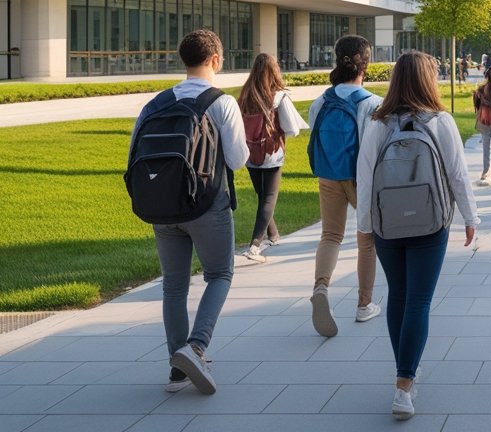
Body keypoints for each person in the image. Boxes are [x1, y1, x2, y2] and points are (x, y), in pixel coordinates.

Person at [356, 50, 479, 420]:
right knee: (419, 301)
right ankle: (404, 384)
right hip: (430, 222)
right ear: (428, 80)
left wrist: (365, 225)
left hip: (387, 226)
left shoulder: (377, 123)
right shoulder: (440, 121)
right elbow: (458, 174)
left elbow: (364, 177)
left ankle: (404, 372)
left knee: (399, 295)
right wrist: (470, 217)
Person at [129, 29, 247, 395]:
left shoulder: (155, 104)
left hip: (162, 205)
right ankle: (195, 347)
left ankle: (177, 367)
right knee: (219, 273)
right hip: (207, 205)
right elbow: (239, 159)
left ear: (185, 60)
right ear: (215, 59)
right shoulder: (221, 102)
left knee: (174, 285)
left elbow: (135, 153)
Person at [307, 34, 384, 338]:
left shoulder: (320, 102)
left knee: (330, 234)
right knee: (366, 238)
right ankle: (364, 303)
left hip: (328, 174)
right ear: (366, 64)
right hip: (360, 178)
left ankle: (321, 287)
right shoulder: (372, 103)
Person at [236, 53, 307, 263]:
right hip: (271, 153)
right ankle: (255, 246)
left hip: (250, 154)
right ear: (274, 70)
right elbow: (292, 128)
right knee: (269, 198)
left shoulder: (245, 95)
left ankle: (273, 235)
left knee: (262, 196)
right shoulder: (278, 97)